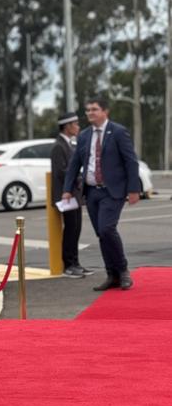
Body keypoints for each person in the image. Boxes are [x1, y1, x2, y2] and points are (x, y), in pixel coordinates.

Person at [62, 96, 140, 291]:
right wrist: (67, 190)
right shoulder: (85, 135)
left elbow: (131, 162)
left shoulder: (119, 132)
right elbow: (75, 164)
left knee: (107, 229)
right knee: (102, 234)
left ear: (105, 112)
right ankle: (111, 275)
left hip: (112, 191)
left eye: (94, 109)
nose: (90, 113)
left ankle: (122, 271)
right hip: (92, 192)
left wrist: (133, 190)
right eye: (88, 110)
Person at [50, 112, 93, 278]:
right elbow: (61, 172)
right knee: (70, 230)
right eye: (75, 124)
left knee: (76, 229)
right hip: (65, 196)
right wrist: (80, 175)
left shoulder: (71, 144)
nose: (78, 127)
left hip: (75, 195)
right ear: (67, 126)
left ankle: (76, 263)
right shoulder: (58, 146)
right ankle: (68, 265)